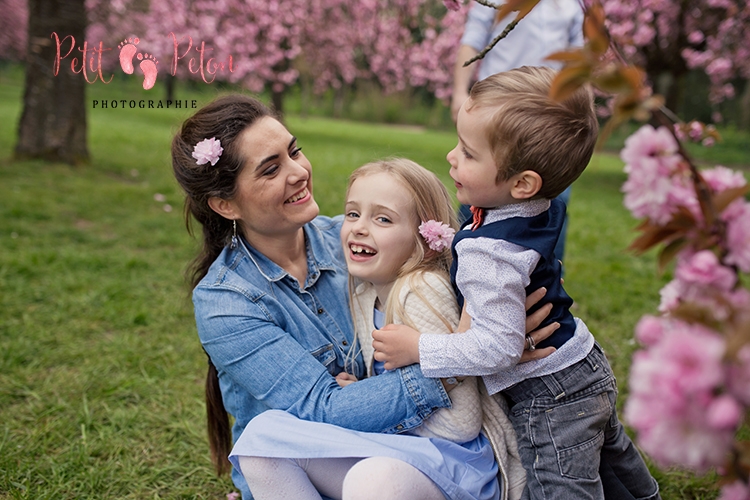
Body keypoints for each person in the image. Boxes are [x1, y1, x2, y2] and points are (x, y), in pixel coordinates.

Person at [170, 94, 556, 499]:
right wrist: (462, 359)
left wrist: (499, 334)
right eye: (271, 169)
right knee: (261, 440)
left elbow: (457, 267)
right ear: (225, 204)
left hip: (403, 455)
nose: (299, 171)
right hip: (319, 463)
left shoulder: (359, 243)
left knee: (374, 482)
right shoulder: (226, 301)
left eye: (294, 151)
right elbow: (324, 409)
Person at [372, 67, 661, 500]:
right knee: (618, 469)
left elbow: (499, 346)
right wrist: (453, 240)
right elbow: (505, 255)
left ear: (522, 183)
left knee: (559, 487)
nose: (452, 157)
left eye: (469, 153)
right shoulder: (532, 209)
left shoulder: (489, 254)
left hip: (550, 394)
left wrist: (419, 348)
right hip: (582, 367)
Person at [231, 158, 528, 500]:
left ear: (422, 239)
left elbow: (461, 423)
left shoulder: (421, 290)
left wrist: (375, 408)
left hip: (453, 464)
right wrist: (364, 394)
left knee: (373, 480)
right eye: (353, 213)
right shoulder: (366, 292)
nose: (357, 227)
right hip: (405, 452)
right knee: (261, 440)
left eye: (383, 219)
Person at [451, 0, 585, 265]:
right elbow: (473, 39)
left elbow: (577, 60)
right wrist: (459, 91)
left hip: (548, 118)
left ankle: (544, 277)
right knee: (478, 186)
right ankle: (458, 263)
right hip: (498, 115)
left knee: (553, 203)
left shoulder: (572, 4)